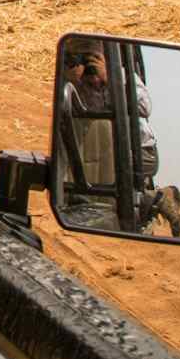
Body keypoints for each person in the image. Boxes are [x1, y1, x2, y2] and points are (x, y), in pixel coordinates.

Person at [58, 37, 158, 232]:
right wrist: (70, 79)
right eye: (77, 56)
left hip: (139, 149)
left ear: (102, 54)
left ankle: (151, 199)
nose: (85, 62)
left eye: (90, 55)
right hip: (91, 147)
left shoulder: (119, 73)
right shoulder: (68, 81)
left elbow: (144, 107)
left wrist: (110, 79)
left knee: (130, 186)